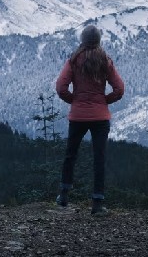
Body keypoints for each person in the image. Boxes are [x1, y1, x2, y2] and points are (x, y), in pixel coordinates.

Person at [54, 25, 124, 215]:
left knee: (71, 155)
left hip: (78, 116)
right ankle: (97, 204)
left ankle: (63, 196)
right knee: (99, 158)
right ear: (99, 40)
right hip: (100, 118)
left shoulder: (74, 60)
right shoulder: (105, 61)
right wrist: (103, 101)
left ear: (82, 40)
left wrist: (75, 101)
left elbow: (61, 87)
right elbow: (119, 89)